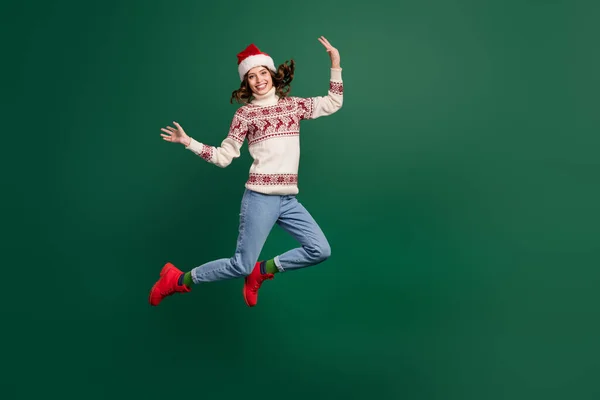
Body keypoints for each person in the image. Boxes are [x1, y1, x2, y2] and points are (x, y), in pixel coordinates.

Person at [149, 36, 344, 307]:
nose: (259, 79)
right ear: (246, 83)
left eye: (263, 72)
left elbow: (333, 102)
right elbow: (222, 157)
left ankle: (262, 271)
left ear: (273, 75)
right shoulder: (245, 115)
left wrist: (335, 63)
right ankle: (178, 279)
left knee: (320, 250)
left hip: (288, 200)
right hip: (260, 199)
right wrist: (188, 142)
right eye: (251, 76)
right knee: (241, 264)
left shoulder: (294, 106)